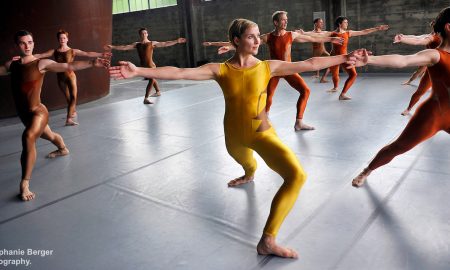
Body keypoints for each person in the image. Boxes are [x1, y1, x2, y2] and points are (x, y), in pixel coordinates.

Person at [111, 18, 360, 258]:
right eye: (251, 36)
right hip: (233, 136)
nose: (257, 41)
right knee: (247, 163)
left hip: (261, 132)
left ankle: (268, 239)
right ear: (236, 40)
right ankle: (249, 173)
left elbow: (311, 63)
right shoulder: (219, 70)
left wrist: (345, 57)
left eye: (257, 36)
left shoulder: (267, 67)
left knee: (297, 176)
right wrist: (138, 71)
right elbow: (179, 72)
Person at [0, 30, 108, 201]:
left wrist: (91, 62)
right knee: (48, 134)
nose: (27, 46)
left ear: (34, 43)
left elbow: (68, 66)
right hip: (24, 115)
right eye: (22, 43)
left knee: (28, 137)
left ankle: (24, 184)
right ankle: (63, 148)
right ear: (17, 45)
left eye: (30, 42)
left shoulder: (42, 63)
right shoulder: (11, 66)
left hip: (38, 112)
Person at [351, 7, 450, 187]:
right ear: (449, 28)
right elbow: (403, 60)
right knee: (398, 147)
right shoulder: (435, 54)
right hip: (435, 115)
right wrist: (370, 60)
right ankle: (367, 170)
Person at [204, 11, 344, 131]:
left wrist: (331, 38)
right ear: (276, 22)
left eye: (286, 20)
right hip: (274, 71)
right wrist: (228, 47)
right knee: (268, 95)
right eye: (283, 20)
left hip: (288, 69)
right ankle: (264, 119)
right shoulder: (267, 37)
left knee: (305, 91)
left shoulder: (291, 35)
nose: (285, 22)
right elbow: (245, 42)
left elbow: (312, 37)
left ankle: (299, 122)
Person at [34, 30, 111, 125]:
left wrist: (101, 54)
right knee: (68, 98)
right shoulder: (54, 51)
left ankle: (69, 119)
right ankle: (72, 111)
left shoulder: (72, 51)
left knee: (73, 97)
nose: (62, 39)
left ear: (67, 39)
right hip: (60, 78)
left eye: (64, 38)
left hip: (71, 76)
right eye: (60, 38)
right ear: (58, 40)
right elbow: (40, 55)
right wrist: (27, 57)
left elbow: (87, 53)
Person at [105, 28, 186, 104]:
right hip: (143, 66)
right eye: (142, 33)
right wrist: (113, 47)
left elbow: (164, 43)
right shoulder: (137, 44)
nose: (144, 34)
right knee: (152, 78)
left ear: (147, 34)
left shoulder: (152, 43)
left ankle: (146, 98)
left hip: (151, 65)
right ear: (140, 35)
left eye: (145, 33)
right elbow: (124, 47)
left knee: (151, 79)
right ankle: (158, 92)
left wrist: (176, 41)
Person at [316, 16, 388, 100]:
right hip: (333, 56)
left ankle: (342, 94)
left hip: (344, 57)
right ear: (340, 24)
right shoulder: (332, 33)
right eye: (345, 22)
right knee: (335, 74)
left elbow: (363, 32)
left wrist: (377, 28)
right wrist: (303, 34)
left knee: (353, 74)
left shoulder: (348, 33)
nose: (347, 24)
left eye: (347, 22)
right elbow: (317, 35)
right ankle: (335, 88)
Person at [393, 22, 442, 115]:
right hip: (430, 62)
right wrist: (404, 37)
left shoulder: (440, 37)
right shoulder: (431, 36)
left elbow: (418, 40)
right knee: (420, 88)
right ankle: (408, 109)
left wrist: (403, 39)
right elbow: (417, 38)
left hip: (440, 64)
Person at [307, 18, 331, 82]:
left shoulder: (322, 32)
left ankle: (322, 77)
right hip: (317, 51)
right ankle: (317, 75)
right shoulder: (312, 33)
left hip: (323, 50)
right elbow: (305, 34)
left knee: (332, 61)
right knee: (316, 63)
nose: (322, 24)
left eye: (322, 22)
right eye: (320, 22)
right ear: (316, 24)